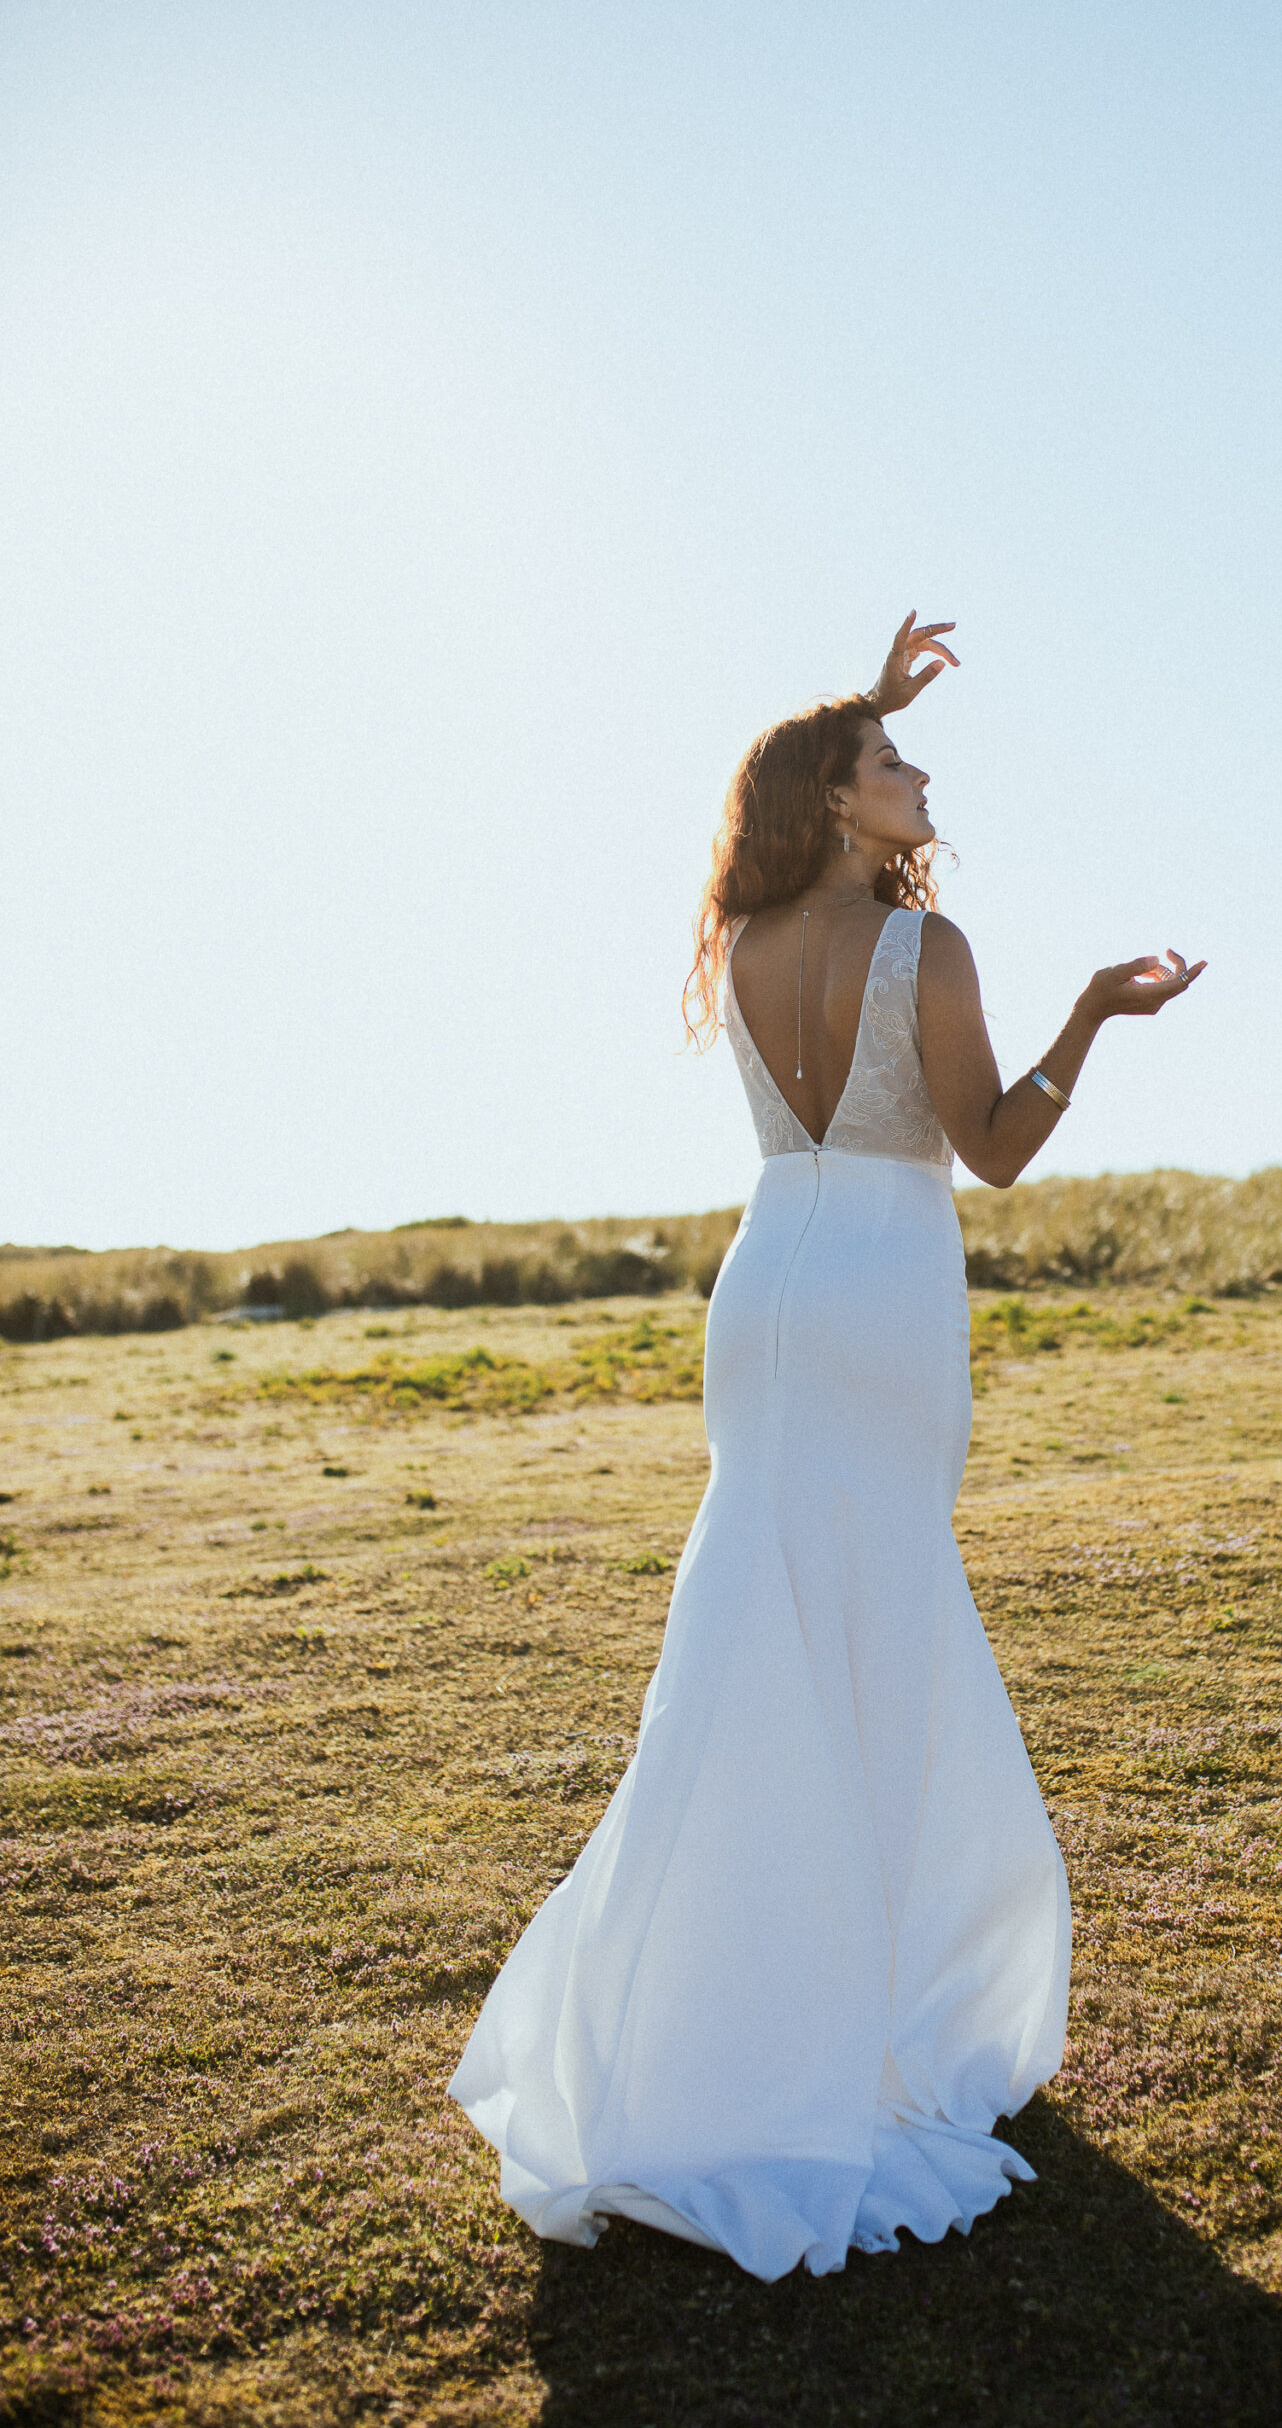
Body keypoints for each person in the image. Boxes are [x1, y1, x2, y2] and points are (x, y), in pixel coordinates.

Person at [448, 614, 1206, 2281]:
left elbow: (786, 796)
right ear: (847, 808)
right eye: (894, 763)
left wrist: (866, 701)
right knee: (874, 1620)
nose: (922, 774)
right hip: (879, 1284)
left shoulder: (741, 931)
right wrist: (1090, 1014)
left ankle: (717, 1989)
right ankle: (853, 1999)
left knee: (757, 1617)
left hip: (766, 1280)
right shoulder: (926, 955)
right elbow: (992, 1150)